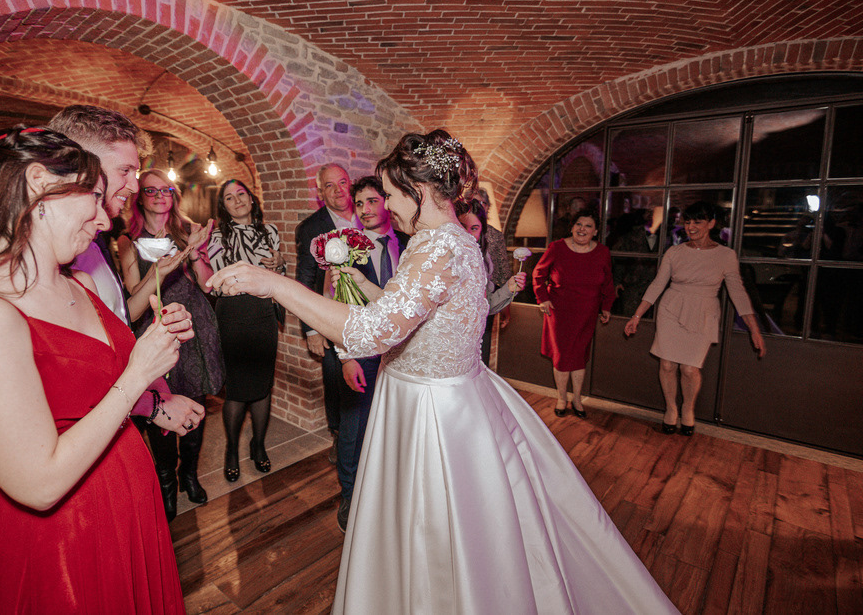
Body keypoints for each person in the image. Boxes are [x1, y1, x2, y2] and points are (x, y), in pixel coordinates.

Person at [206, 129, 679, 614]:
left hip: (431, 412)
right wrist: (358, 281)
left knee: (432, 530)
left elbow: (372, 333)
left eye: (390, 195)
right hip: (444, 394)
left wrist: (274, 284)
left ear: (421, 191)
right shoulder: (449, 241)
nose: (386, 206)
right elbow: (405, 313)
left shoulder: (437, 248)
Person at [0, 126, 200, 612]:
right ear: (39, 184)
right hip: (63, 535)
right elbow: (38, 485)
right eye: (95, 197)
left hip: (128, 496)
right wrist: (136, 376)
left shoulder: (80, 283)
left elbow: (90, 390)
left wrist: (153, 401)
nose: (104, 219)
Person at [48, 105, 204, 440]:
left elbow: (119, 320)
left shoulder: (95, 240)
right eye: (125, 171)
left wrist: (154, 382)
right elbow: (71, 384)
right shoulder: (55, 257)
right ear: (82, 164)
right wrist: (150, 400)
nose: (134, 186)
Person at [118, 170, 224, 518]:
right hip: (155, 329)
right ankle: (166, 481)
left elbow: (207, 285)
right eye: (151, 190)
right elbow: (132, 298)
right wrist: (159, 270)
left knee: (194, 403)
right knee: (161, 407)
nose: (160, 195)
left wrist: (194, 251)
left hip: (193, 328)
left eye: (166, 189)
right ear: (139, 197)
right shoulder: (128, 241)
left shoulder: (187, 230)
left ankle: (189, 474)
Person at [625, 201, 767, 435]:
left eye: (697, 222)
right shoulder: (674, 252)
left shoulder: (726, 255)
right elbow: (658, 284)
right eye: (687, 222)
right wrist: (637, 315)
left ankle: (688, 408)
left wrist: (754, 329)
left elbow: (738, 293)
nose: (690, 227)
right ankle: (671, 409)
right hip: (672, 309)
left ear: (711, 224)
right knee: (667, 365)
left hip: (704, 312)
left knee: (690, 369)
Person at [330, 175, 409, 532]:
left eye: (372, 201)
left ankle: (386, 490)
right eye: (359, 203)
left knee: (394, 422)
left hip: (402, 351)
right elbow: (336, 305)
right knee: (354, 426)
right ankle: (349, 494)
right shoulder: (345, 248)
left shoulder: (408, 243)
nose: (365, 209)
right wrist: (346, 358)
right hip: (361, 350)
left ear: (387, 203)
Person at [193, 179, 284, 483]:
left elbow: (276, 277)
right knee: (236, 388)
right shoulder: (218, 236)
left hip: (264, 313)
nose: (237, 200)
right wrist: (263, 272)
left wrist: (280, 264)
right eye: (229, 198)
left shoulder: (270, 232)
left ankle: (258, 445)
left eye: (241, 194)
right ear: (224, 207)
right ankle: (231, 450)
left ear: (251, 198)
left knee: (262, 385)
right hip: (232, 314)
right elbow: (220, 278)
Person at [294, 163, 361, 463]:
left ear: (351, 184)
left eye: (342, 182)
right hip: (332, 317)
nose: (338, 191)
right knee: (335, 378)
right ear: (320, 192)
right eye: (329, 186)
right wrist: (311, 329)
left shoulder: (369, 215)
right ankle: (338, 434)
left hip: (371, 312)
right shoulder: (312, 227)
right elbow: (305, 279)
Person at [532, 209, 615, 417]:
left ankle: (577, 398)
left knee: (579, 356)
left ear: (595, 231)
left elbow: (608, 282)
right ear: (572, 227)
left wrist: (606, 306)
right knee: (562, 357)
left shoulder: (603, 252)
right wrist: (543, 298)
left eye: (588, 226)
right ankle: (561, 398)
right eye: (579, 224)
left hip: (587, 312)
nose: (582, 229)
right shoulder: (557, 247)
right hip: (559, 312)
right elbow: (539, 273)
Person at [455, 197, 527, 364]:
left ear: (482, 230)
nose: (468, 234)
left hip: (471, 343)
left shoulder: (483, 260)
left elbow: (486, 306)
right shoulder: (439, 255)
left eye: (474, 228)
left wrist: (508, 288)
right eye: (462, 227)